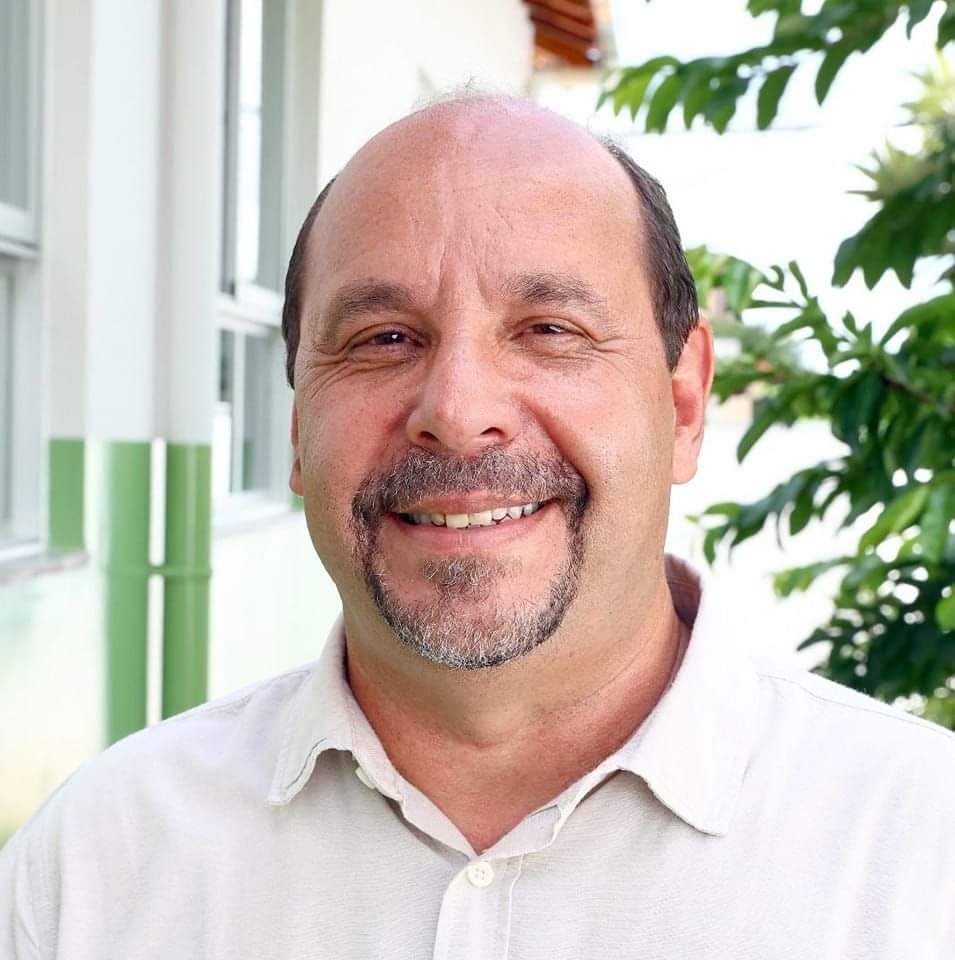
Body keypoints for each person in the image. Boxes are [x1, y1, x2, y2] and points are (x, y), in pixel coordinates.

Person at [1, 94, 952, 959]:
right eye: (383, 339)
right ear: (296, 429)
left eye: (549, 330)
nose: (456, 413)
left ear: (682, 404)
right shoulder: (93, 868)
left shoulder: (920, 857)